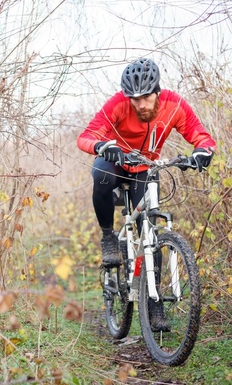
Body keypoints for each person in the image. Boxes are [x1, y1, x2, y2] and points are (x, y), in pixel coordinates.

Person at [77, 58, 216, 330]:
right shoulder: (117, 103)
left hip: (145, 167)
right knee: (101, 176)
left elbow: (201, 136)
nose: (140, 104)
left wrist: (203, 151)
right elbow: (86, 136)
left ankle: (154, 304)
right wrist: (103, 145)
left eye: (146, 98)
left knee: (149, 231)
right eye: (135, 99)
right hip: (115, 162)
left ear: (158, 91)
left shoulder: (174, 105)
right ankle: (108, 237)